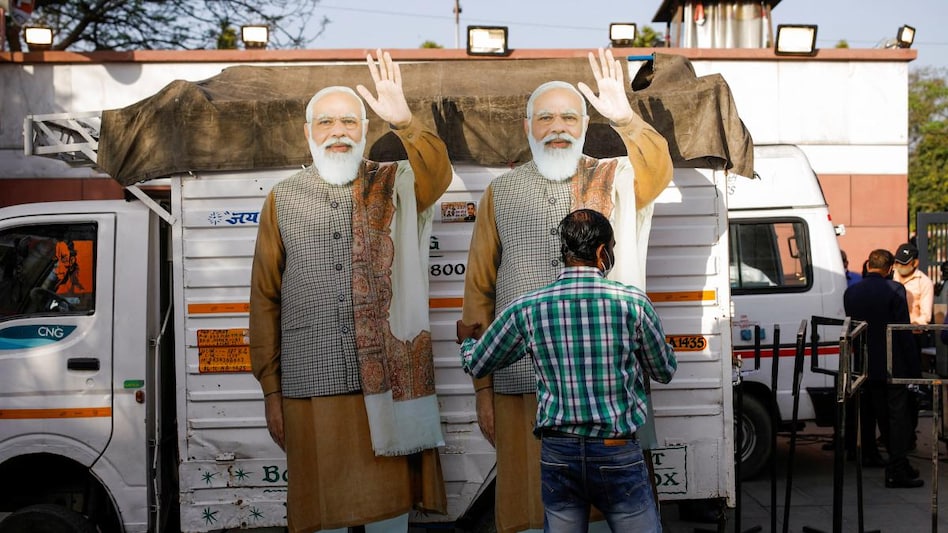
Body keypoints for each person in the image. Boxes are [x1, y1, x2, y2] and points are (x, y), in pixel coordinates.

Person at [457, 48, 673, 533]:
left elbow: (658, 173)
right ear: (529, 126)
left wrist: (626, 118)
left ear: (584, 123)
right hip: (519, 386)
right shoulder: (501, 192)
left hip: (601, 389)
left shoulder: (614, 176)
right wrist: (483, 392)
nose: (558, 126)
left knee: (602, 514)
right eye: (546, 117)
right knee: (530, 507)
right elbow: (479, 290)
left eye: (570, 116)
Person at [249, 49, 452, 533]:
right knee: (323, 517)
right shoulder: (282, 198)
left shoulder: (395, 182)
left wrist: (403, 120)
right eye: (325, 123)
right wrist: (271, 390)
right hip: (310, 389)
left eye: (348, 122)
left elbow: (438, 175)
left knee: (388, 518)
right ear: (307, 132)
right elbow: (264, 299)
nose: (337, 132)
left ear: (363, 130)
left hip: (385, 389)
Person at [459, 209, 677, 532]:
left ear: (565, 251)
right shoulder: (633, 304)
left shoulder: (529, 308)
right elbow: (664, 370)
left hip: (558, 452)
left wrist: (465, 342)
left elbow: (477, 362)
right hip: (616, 450)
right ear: (603, 252)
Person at [843, 249, 922, 488]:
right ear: (889, 269)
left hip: (866, 364)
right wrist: (913, 368)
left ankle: (897, 463)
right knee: (898, 417)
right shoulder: (895, 290)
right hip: (892, 363)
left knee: (880, 415)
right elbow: (902, 331)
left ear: (869, 265)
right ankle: (897, 468)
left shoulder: (851, 292)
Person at [892, 241, 934, 449]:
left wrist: (908, 324)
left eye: (904, 262)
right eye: (897, 262)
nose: (899, 266)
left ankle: (909, 435)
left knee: (910, 388)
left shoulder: (924, 282)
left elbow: (925, 316)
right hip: (892, 339)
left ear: (915, 262)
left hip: (912, 338)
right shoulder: (891, 278)